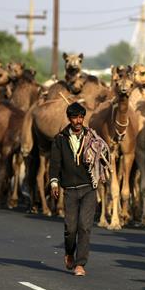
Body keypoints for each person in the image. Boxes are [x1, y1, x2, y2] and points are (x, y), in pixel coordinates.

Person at [49, 102, 96, 276]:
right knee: (71, 228)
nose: (78, 121)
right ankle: (69, 252)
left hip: (89, 188)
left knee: (85, 226)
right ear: (69, 119)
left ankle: (80, 264)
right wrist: (54, 183)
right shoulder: (60, 139)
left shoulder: (91, 137)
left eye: (81, 117)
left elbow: (103, 154)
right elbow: (55, 164)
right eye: (75, 117)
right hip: (69, 189)